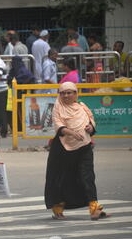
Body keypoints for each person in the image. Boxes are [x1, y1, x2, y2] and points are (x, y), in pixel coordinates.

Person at [44, 82, 110, 221]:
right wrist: (72, 133)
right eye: (63, 93)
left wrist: (90, 128)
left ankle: (94, 209)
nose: (67, 95)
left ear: (76, 94)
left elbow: (91, 121)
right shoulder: (58, 107)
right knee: (61, 178)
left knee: (88, 176)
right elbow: (58, 126)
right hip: (62, 149)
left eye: (70, 92)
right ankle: (58, 209)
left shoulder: (82, 106)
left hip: (84, 146)